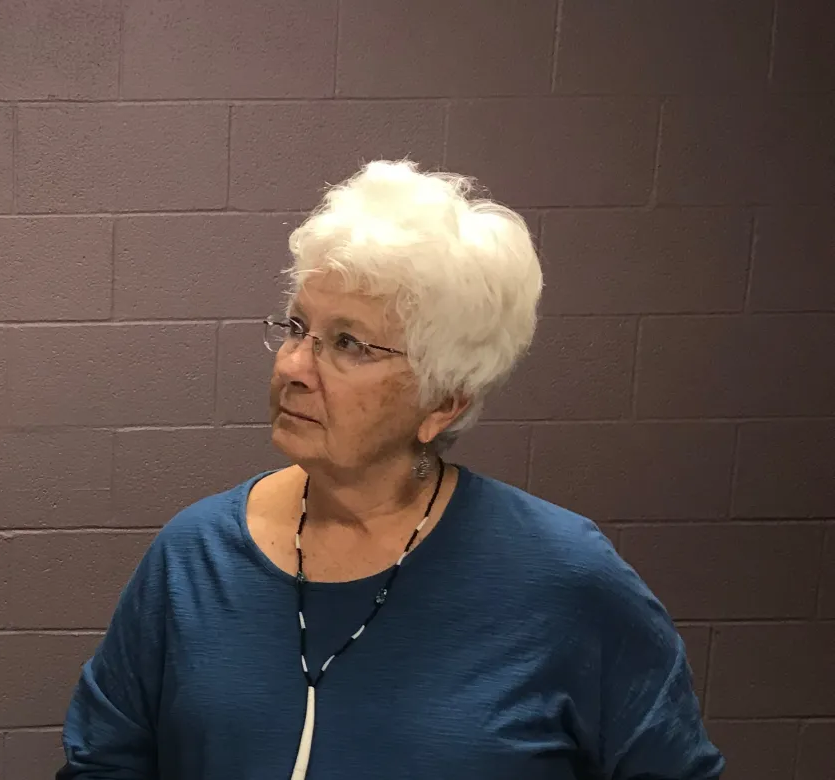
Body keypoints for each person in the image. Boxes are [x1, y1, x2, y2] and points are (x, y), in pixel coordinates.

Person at [56, 160, 723, 780]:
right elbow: (102, 766)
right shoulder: (193, 558)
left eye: (348, 343)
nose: (292, 367)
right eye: (296, 327)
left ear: (443, 400)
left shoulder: (565, 580)